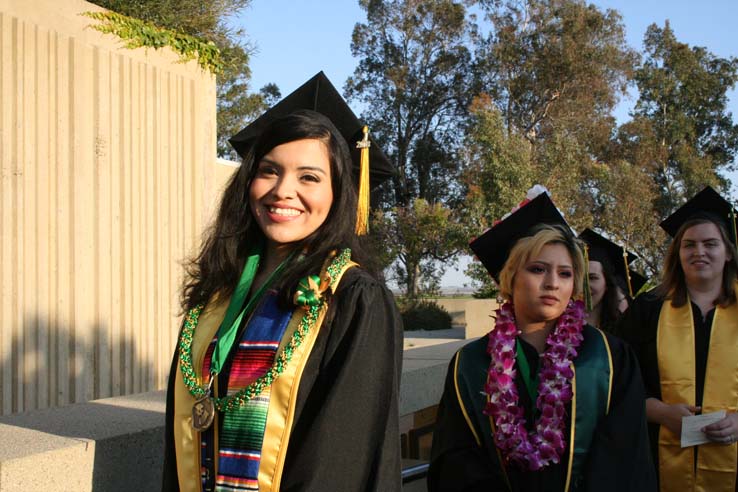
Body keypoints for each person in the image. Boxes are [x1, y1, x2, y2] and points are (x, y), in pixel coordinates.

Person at [162, 72, 403, 492]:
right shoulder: (221, 293)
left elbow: (339, 461)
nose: (282, 191)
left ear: (338, 192)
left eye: (309, 177)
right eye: (269, 171)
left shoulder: (354, 299)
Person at [428, 188, 655, 492]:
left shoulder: (608, 358)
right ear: (511, 277)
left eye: (565, 273)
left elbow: (626, 458)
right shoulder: (472, 363)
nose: (552, 283)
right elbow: (455, 461)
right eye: (538, 269)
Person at [619, 186, 738, 492]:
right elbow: (619, 379)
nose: (699, 252)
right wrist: (659, 412)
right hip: (658, 457)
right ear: (678, 253)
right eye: (689, 245)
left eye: (710, 244)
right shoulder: (647, 310)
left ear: (727, 253)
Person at [578, 229, 644, 333]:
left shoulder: (623, 333)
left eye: (592, 278)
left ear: (607, 283)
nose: (584, 285)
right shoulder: (558, 327)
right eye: (579, 277)